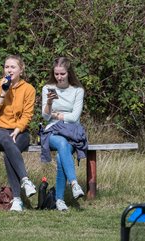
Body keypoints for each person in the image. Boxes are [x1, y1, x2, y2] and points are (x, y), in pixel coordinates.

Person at [0, 55, 37, 212]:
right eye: (6, 67)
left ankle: (16, 200)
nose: (9, 70)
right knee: (8, 142)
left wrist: (18, 128)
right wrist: (2, 93)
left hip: (19, 131)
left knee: (10, 150)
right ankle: (25, 180)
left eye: (12, 67)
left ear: (21, 70)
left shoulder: (28, 89)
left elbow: (28, 114)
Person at [41, 57, 88, 211]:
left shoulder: (77, 90)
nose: (59, 77)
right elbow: (46, 116)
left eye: (62, 74)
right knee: (61, 143)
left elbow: (74, 117)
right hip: (53, 130)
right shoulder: (48, 88)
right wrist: (49, 103)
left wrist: (58, 115)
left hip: (72, 131)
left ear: (69, 73)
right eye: (56, 74)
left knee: (62, 156)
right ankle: (74, 183)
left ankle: (60, 200)